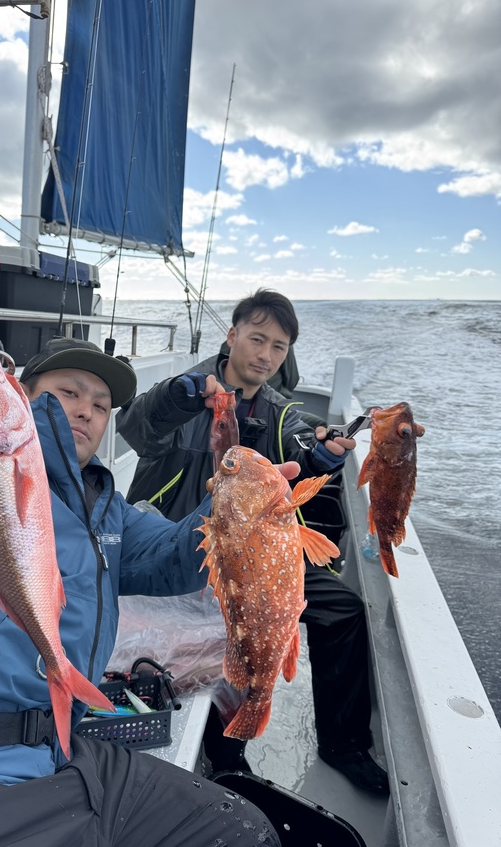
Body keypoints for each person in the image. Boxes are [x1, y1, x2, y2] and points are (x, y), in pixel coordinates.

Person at [0, 336, 282, 847]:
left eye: (101, 406)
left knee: (239, 830)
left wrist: (240, 507)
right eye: (69, 393)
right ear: (22, 395)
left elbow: (176, 561)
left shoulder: (106, 511)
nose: (86, 411)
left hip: (51, 752)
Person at [116, 289, 389, 795]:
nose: (266, 355)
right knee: (224, 635)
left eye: (279, 347)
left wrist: (322, 457)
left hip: (255, 553)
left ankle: (344, 744)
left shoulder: (281, 412)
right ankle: (226, 757)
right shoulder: (186, 392)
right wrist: (177, 396)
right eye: (257, 339)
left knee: (343, 610)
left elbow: (300, 451)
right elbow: (136, 429)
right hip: (173, 544)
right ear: (232, 334)